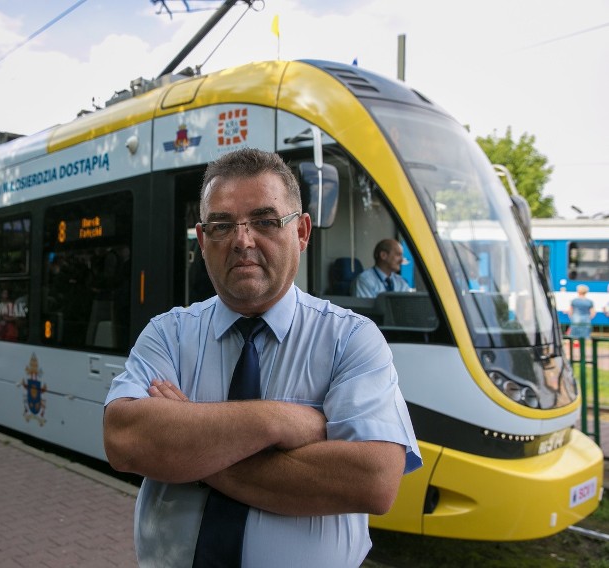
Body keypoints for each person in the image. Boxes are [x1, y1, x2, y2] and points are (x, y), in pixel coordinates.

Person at [103, 148, 421, 567]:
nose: (242, 240)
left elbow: (373, 481)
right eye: (221, 225)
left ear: (302, 232)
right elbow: (125, 439)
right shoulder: (168, 332)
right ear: (202, 240)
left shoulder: (351, 339)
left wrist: (190, 449)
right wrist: (283, 421)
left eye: (266, 221)